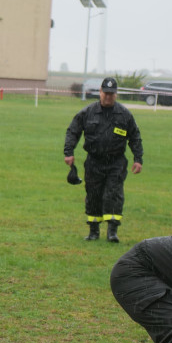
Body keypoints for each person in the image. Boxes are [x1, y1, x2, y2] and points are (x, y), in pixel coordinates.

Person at [63, 76, 144, 243]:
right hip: (94, 161)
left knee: (113, 194)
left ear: (116, 94)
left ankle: (112, 232)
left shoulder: (124, 114)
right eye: (105, 93)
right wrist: (69, 152)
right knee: (93, 194)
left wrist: (138, 158)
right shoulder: (87, 112)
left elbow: (135, 137)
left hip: (116, 162)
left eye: (111, 94)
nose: (108, 96)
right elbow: (73, 131)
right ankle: (93, 231)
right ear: (100, 92)